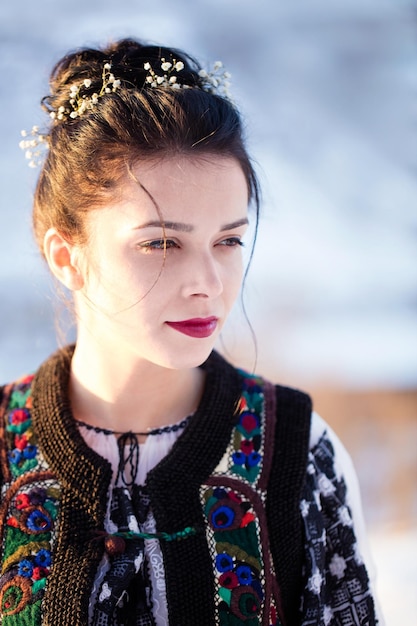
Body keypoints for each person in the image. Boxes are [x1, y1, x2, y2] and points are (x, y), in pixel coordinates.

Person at [0, 38, 380, 626]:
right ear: (67, 255)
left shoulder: (298, 454)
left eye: (227, 241)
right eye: (160, 243)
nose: (208, 282)